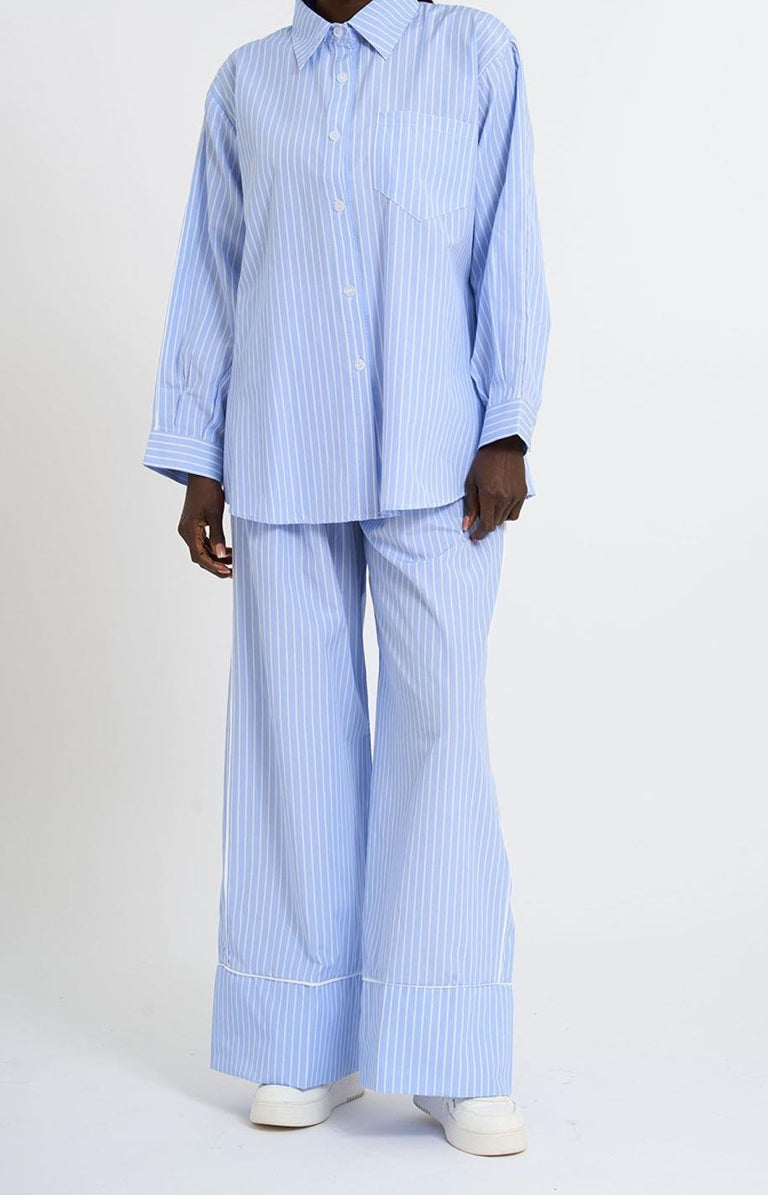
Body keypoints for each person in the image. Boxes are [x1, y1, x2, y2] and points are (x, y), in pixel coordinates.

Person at [143, 0, 549, 1157]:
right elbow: (214, 271)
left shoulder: (473, 55)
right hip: (280, 447)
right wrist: (200, 457)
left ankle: (453, 1050)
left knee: (439, 732)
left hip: (439, 456)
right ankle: (304, 1036)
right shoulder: (246, 83)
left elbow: (507, 244)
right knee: (295, 744)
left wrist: (507, 422)